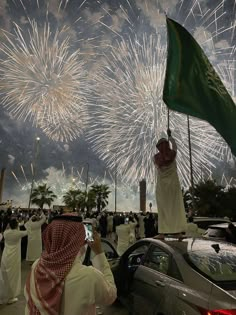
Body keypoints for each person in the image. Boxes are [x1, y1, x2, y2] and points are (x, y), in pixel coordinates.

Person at [24, 214, 117, 314]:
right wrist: (99, 252)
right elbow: (110, 296)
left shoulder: (37, 266)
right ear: (79, 240)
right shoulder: (89, 276)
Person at [153, 129, 187, 240]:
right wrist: (170, 136)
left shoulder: (156, 158)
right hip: (173, 186)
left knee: (163, 209)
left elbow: (158, 166)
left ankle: (162, 233)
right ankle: (176, 232)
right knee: (175, 208)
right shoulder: (173, 154)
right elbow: (175, 147)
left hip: (162, 187)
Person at [0, 218, 28, 304]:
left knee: (4, 275)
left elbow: (6, 231)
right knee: (13, 276)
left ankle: (3, 295)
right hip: (14, 257)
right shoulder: (18, 233)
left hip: (5, 256)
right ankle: (10, 297)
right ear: (16, 225)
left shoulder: (5, 233)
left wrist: (11, 226)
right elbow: (28, 230)